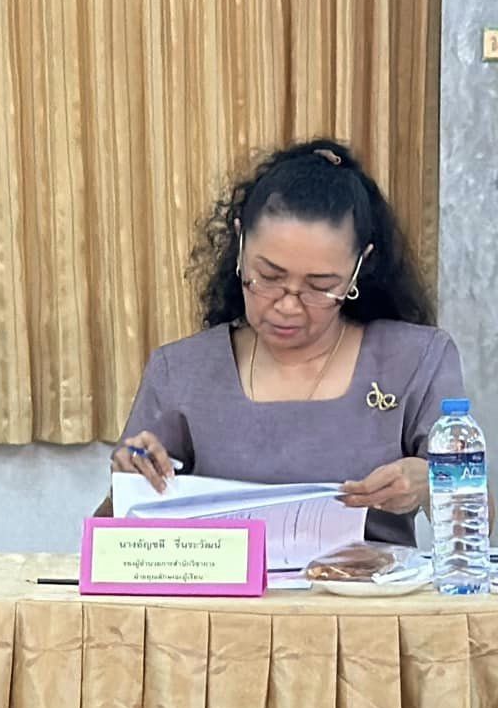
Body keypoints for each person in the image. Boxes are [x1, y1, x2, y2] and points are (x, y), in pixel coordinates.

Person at [112, 139, 464, 545]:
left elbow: (476, 526)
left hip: (369, 585)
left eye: (320, 286)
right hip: (225, 589)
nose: (288, 306)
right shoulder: (182, 371)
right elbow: (117, 541)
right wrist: (130, 483)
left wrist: (433, 483)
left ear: (360, 267)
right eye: (268, 277)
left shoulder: (415, 359)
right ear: (240, 245)